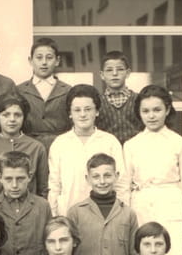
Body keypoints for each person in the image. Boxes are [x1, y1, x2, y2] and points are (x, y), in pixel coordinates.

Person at [123, 85, 182, 255]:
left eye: (157, 110)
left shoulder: (180, 143)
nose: (151, 116)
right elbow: (124, 187)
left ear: (167, 109)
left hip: (171, 211)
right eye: (145, 111)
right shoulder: (131, 145)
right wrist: (125, 224)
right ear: (139, 113)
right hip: (141, 210)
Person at [67, 153, 139, 255]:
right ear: (87, 179)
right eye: (96, 176)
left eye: (107, 175)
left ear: (116, 176)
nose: (102, 181)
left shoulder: (128, 214)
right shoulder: (75, 213)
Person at [47, 84, 128, 216]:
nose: (83, 114)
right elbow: (54, 185)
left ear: (97, 111)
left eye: (88, 109)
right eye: (77, 110)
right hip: (68, 212)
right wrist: (55, 216)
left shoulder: (110, 142)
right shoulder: (60, 144)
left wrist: (121, 214)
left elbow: (121, 183)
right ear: (70, 114)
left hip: (104, 214)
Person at [0, 92, 48, 199]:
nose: (12, 119)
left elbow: (43, 189)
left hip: (29, 206)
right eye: (6, 115)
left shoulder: (36, 147)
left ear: (24, 117)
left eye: (17, 115)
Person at [16, 38, 72, 150]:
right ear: (30, 61)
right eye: (39, 57)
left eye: (49, 58)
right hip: (28, 146)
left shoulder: (68, 90)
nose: (44, 62)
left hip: (61, 146)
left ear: (57, 61)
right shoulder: (19, 90)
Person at [96, 51, 141, 144]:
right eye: (109, 70)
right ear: (102, 75)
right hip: (106, 150)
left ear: (127, 73)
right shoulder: (97, 102)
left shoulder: (139, 100)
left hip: (135, 150)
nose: (115, 73)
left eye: (120, 69)